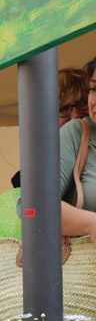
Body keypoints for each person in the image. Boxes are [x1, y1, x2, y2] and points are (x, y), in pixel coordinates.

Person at [58, 63, 96, 240]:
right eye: (94, 89)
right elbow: (31, 207)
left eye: (81, 102)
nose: (75, 115)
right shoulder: (74, 132)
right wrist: (91, 223)